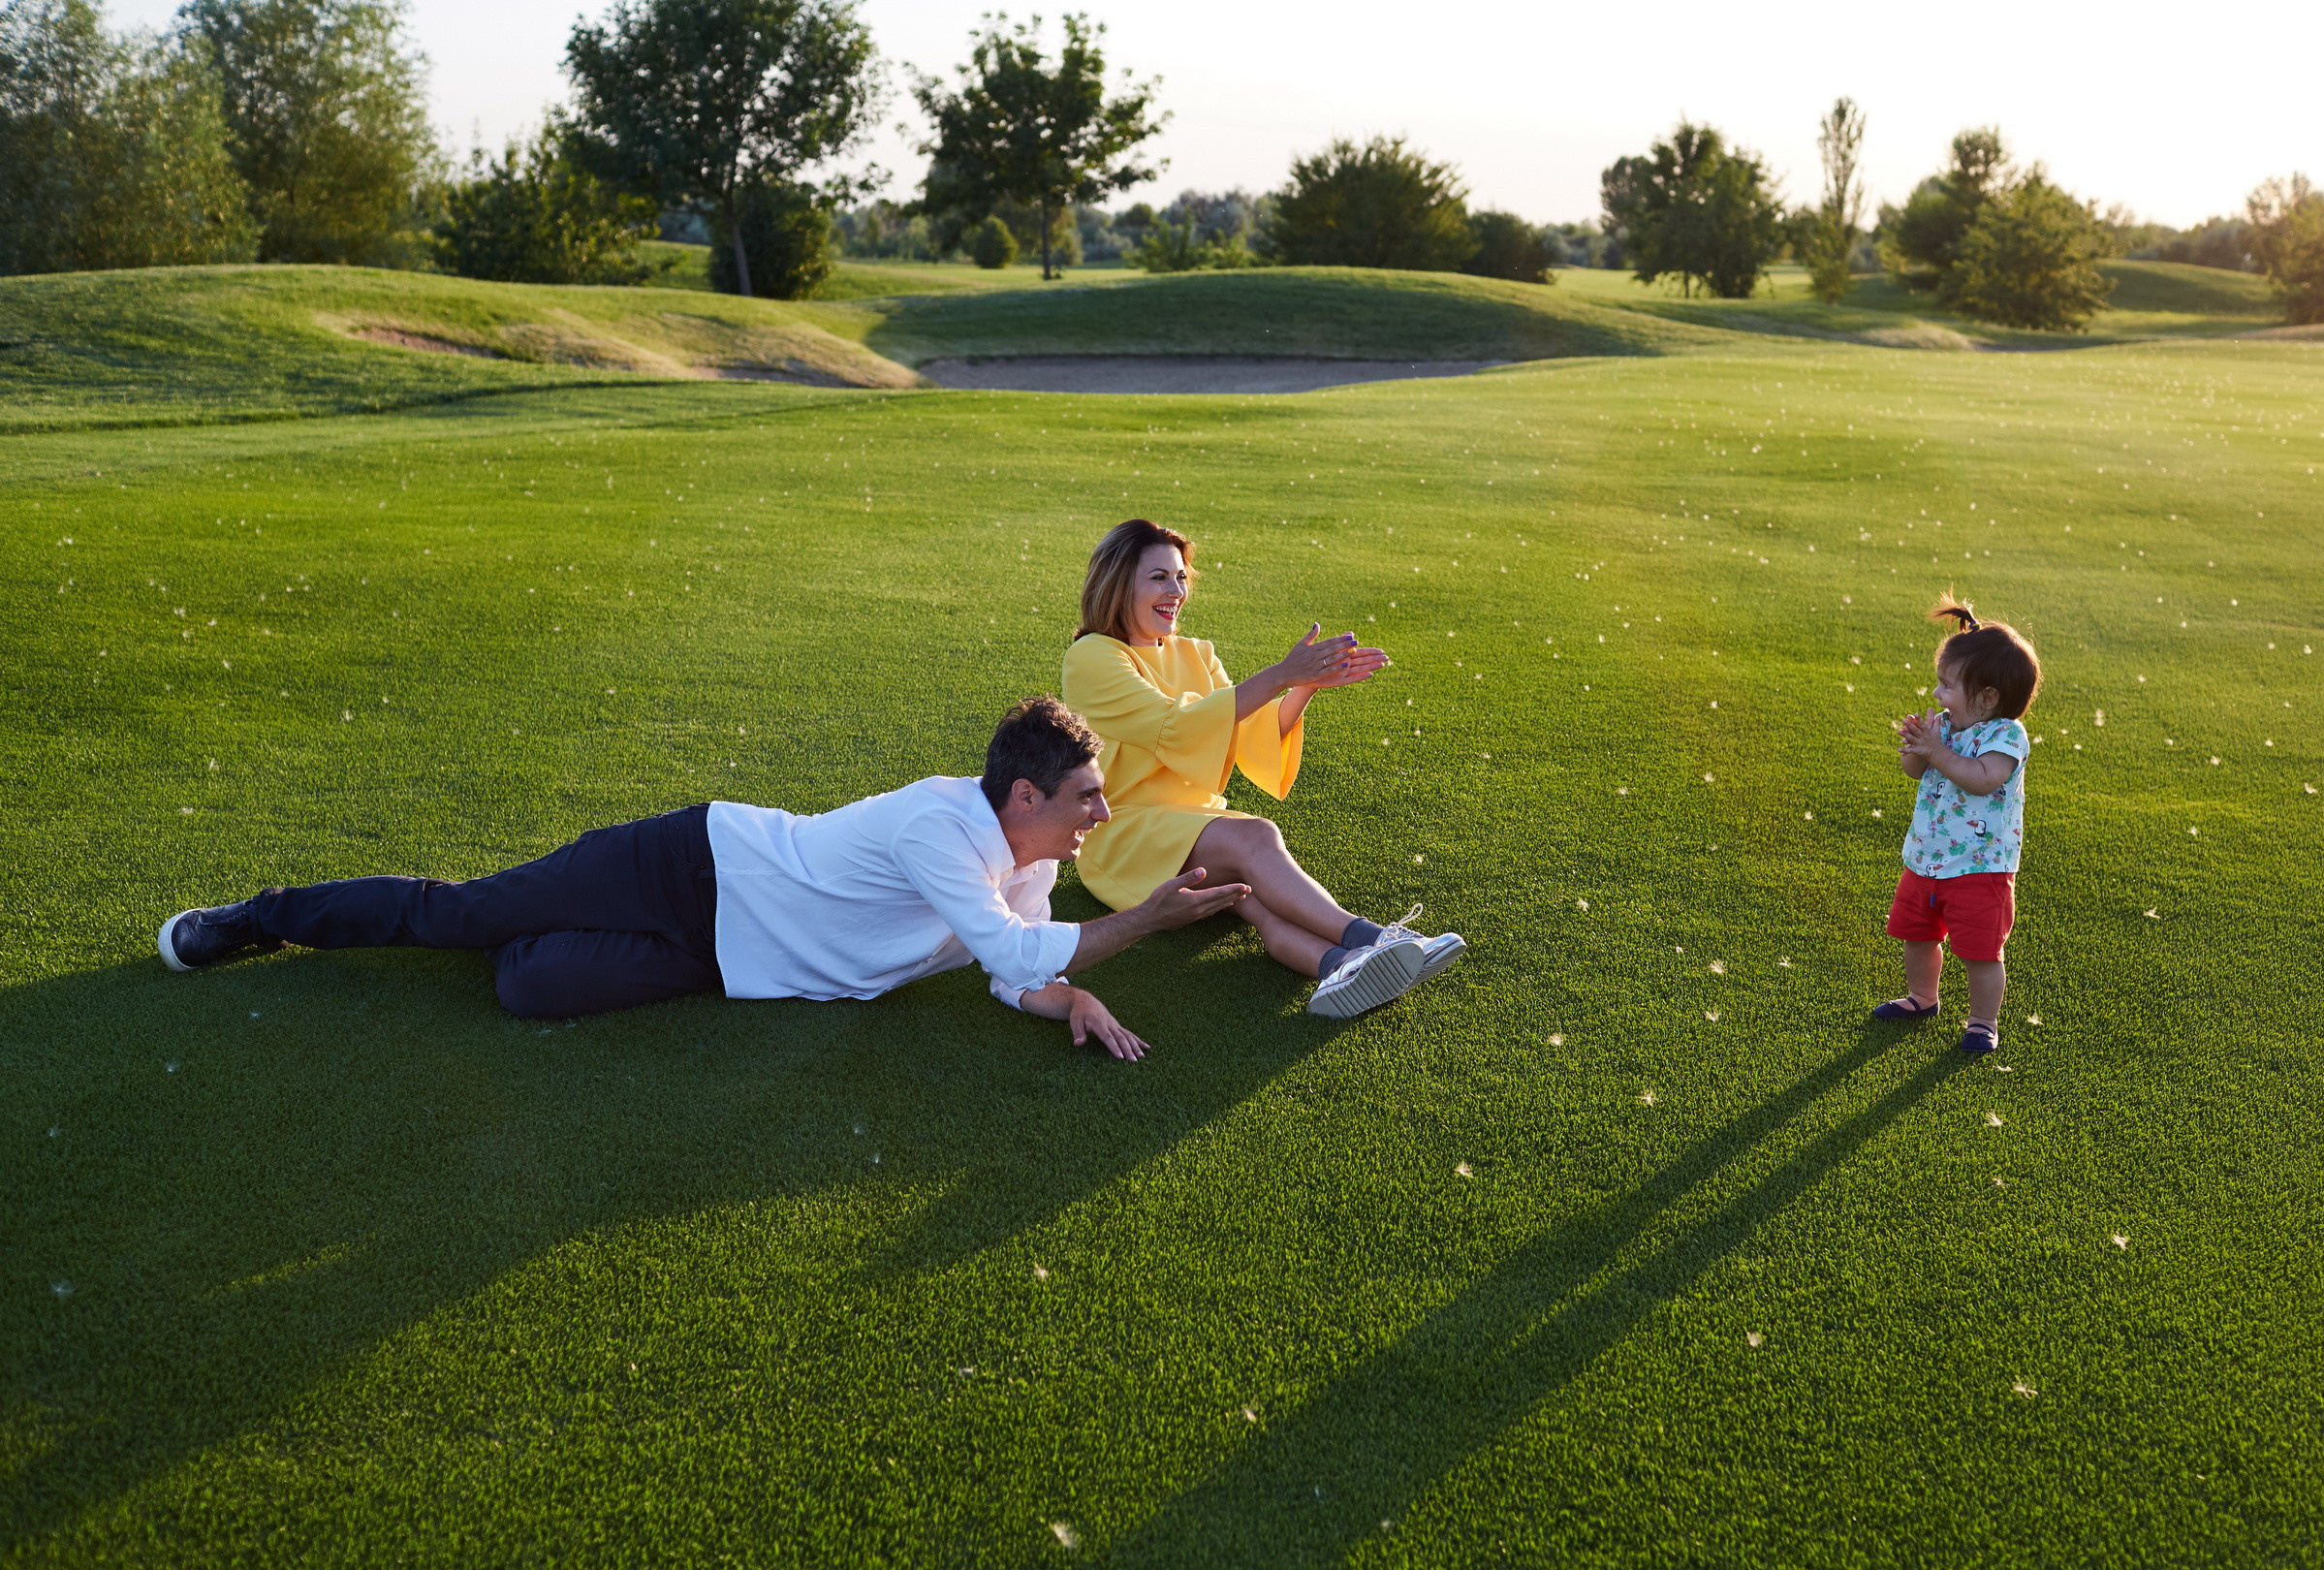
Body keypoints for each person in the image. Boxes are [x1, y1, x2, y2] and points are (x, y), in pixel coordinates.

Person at [154, 697, 1244, 1058]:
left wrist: (1074, 993)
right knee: (460, 915)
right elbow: (1006, 952)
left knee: (525, 990)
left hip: (724, 959)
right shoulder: (938, 827)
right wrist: (1144, 923)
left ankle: (529, 924)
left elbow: (1014, 973)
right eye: (1086, 798)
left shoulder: (1028, 865)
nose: (1101, 815)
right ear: (1021, 799)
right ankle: (258, 919)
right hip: (688, 864)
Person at [1058, 518, 1465, 1020]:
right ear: (1120, 583)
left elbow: (1245, 732)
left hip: (1191, 823)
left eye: (1181, 576)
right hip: (1123, 835)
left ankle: (1338, 968)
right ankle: (1375, 938)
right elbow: (1180, 727)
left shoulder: (1197, 653)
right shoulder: (1091, 656)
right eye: (1159, 577)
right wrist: (1280, 674)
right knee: (1256, 836)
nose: (1176, 590)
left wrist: (1305, 685)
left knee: (1256, 901)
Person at [1872, 594, 2043, 1053]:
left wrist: (1937, 751)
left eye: (1947, 686)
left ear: (1987, 697)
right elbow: (1915, 772)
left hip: (1980, 866)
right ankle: (1922, 998)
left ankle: (1983, 1021)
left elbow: (1982, 780)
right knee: (1917, 933)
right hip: (1927, 855)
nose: (1937, 694)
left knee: (1980, 951)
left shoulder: (2005, 735)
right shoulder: (1946, 726)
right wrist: (1916, 747)